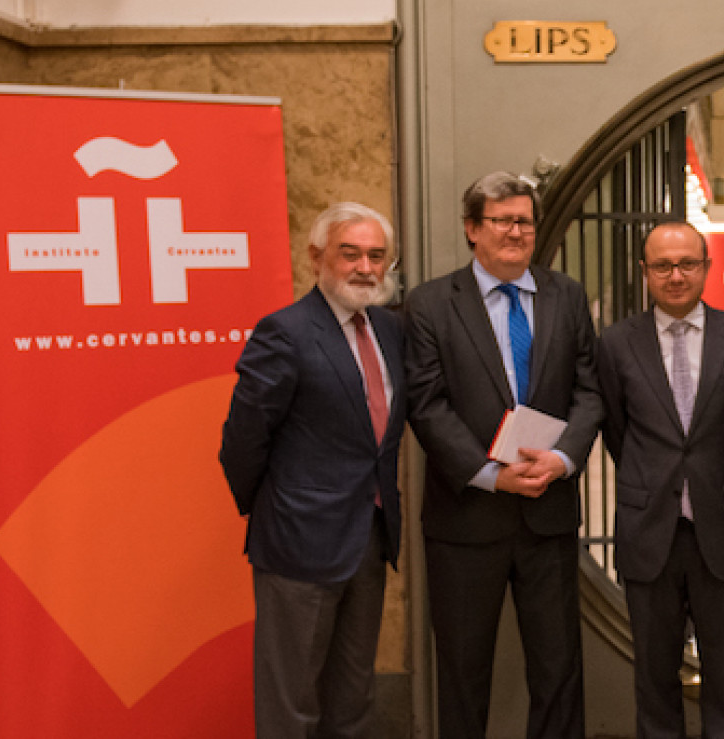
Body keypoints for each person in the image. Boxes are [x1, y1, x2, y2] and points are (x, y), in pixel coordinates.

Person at [403, 172, 602, 739]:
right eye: (503, 221)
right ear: (472, 229)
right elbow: (428, 404)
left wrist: (562, 459)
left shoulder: (565, 295)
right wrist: (492, 475)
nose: (517, 232)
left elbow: (589, 391)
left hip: (548, 511)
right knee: (464, 674)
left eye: (525, 222)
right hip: (466, 519)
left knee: (559, 668)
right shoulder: (431, 304)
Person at [219, 201, 406, 739]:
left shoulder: (389, 331)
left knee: (353, 699)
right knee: (291, 704)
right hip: (297, 543)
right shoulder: (285, 332)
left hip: (369, 539)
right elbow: (242, 441)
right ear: (316, 257)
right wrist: (280, 508)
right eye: (351, 254)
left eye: (376, 256)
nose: (366, 268)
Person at [596, 222, 724, 739]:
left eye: (687, 264)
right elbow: (617, 432)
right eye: (663, 266)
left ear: (707, 267)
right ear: (644, 272)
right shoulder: (616, 342)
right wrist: (659, 479)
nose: (676, 276)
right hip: (650, 527)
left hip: (722, 521)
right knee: (653, 671)